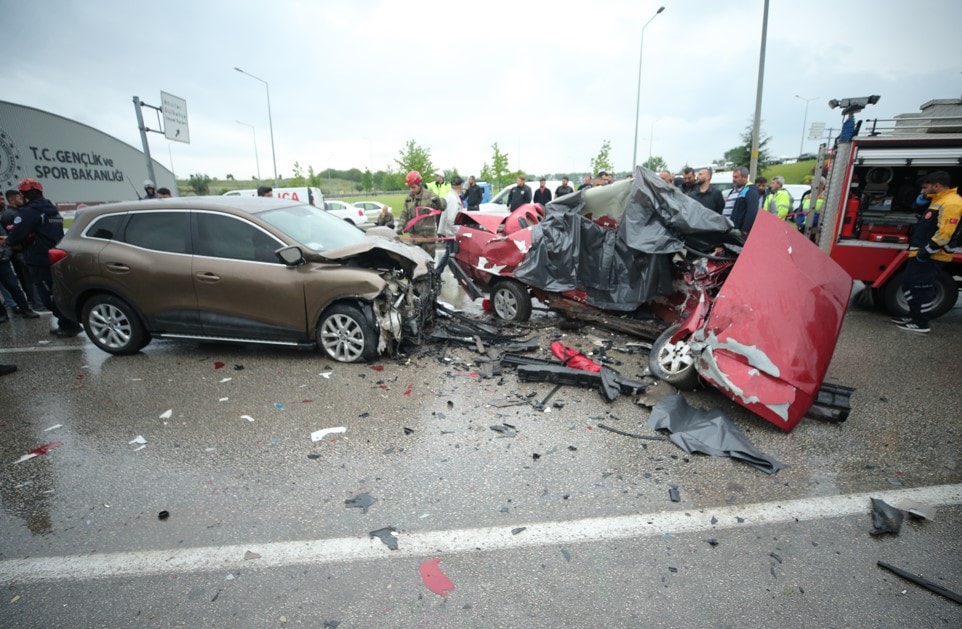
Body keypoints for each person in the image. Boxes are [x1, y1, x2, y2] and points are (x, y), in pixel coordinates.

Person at [5, 178, 78, 336]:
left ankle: (69, 324)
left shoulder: (29, 211)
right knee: (58, 291)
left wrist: (9, 241)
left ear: (25, 195)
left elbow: (17, 233)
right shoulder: (51, 208)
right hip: (56, 255)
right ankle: (66, 323)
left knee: (47, 296)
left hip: (39, 258)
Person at [895, 171, 962, 333]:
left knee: (922, 288)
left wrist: (927, 251)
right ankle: (914, 315)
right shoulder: (939, 200)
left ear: (936, 186)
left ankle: (921, 323)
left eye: (925, 188)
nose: (922, 191)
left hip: (932, 255)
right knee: (909, 284)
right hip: (921, 253)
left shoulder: (952, 203)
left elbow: (945, 233)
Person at [397, 170, 445, 257]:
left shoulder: (430, 196)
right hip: (414, 240)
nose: (411, 190)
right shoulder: (409, 198)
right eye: (410, 187)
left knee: (428, 267)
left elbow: (442, 207)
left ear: (420, 184)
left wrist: (438, 202)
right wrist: (400, 225)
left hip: (428, 241)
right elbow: (404, 214)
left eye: (414, 187)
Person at [437, 176, 464, 274]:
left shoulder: (451, 196)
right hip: (452, 233)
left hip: (450, 232)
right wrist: (458, 233)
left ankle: (437, 272)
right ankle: (459, 276)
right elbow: (451, 220)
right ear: (460, 186)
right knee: (452, 256)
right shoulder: (453, 199)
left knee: (449, 255)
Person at [729, 167, 761, 233]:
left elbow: (752, 211)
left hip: (738, 230)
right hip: (729, 228)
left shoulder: (750, 190)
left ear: (744, 177)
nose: (733, 180)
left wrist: (745, 229)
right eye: (733, 177)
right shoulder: (734, 190)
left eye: (736, 177)